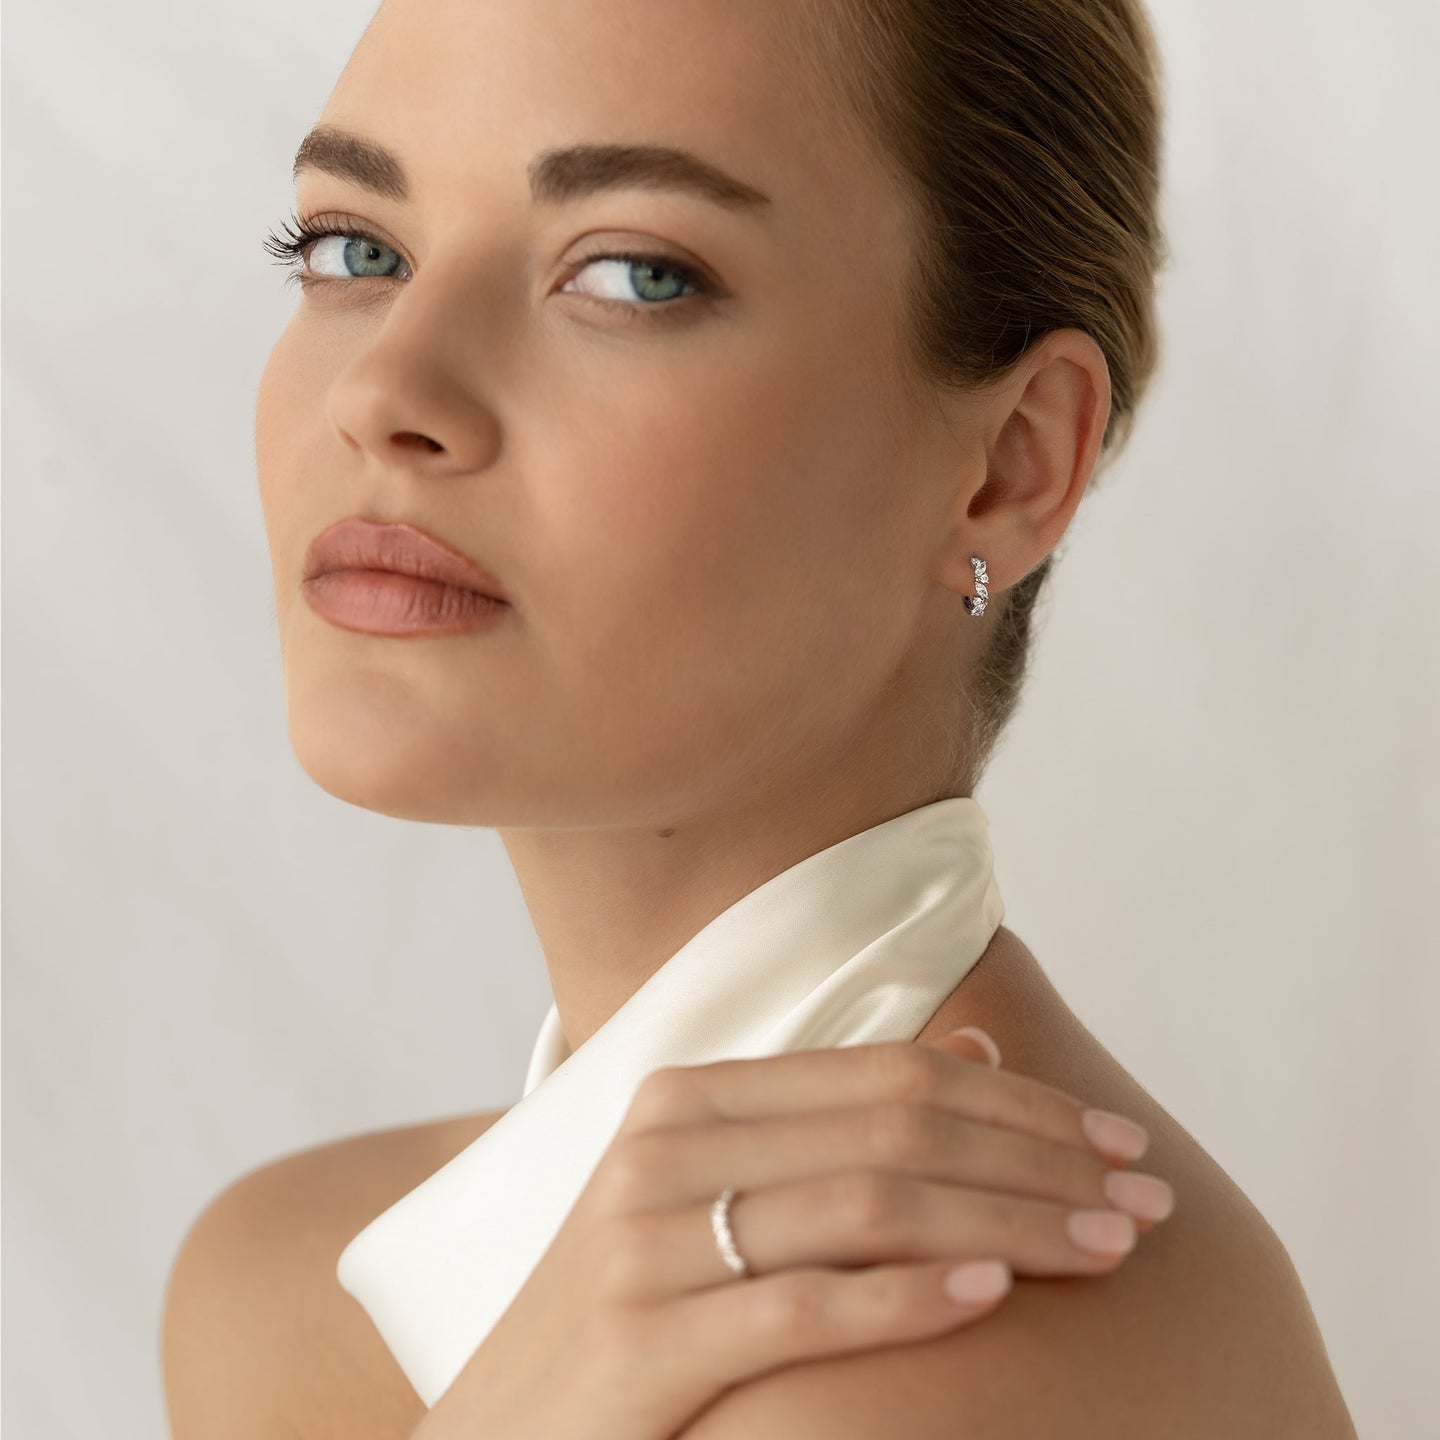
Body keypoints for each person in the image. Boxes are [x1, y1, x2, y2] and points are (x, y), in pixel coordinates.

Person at [161, 0, 1358, 1435]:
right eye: (358, 249)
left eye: (632, 273)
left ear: (1010, 465)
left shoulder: (942, 1363)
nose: (384, 390)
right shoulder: (288, 1277)